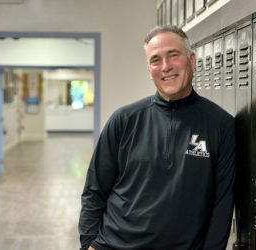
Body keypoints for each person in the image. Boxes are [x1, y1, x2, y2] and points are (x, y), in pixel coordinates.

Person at [78, 25, 235, 250]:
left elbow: (222, 205)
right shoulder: (124, 120)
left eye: (173, 55)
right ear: (149, 69)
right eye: (155, 60)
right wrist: (87, 245)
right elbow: (95, 190)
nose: (166, 67)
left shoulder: (220, 124)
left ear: (192, 60)